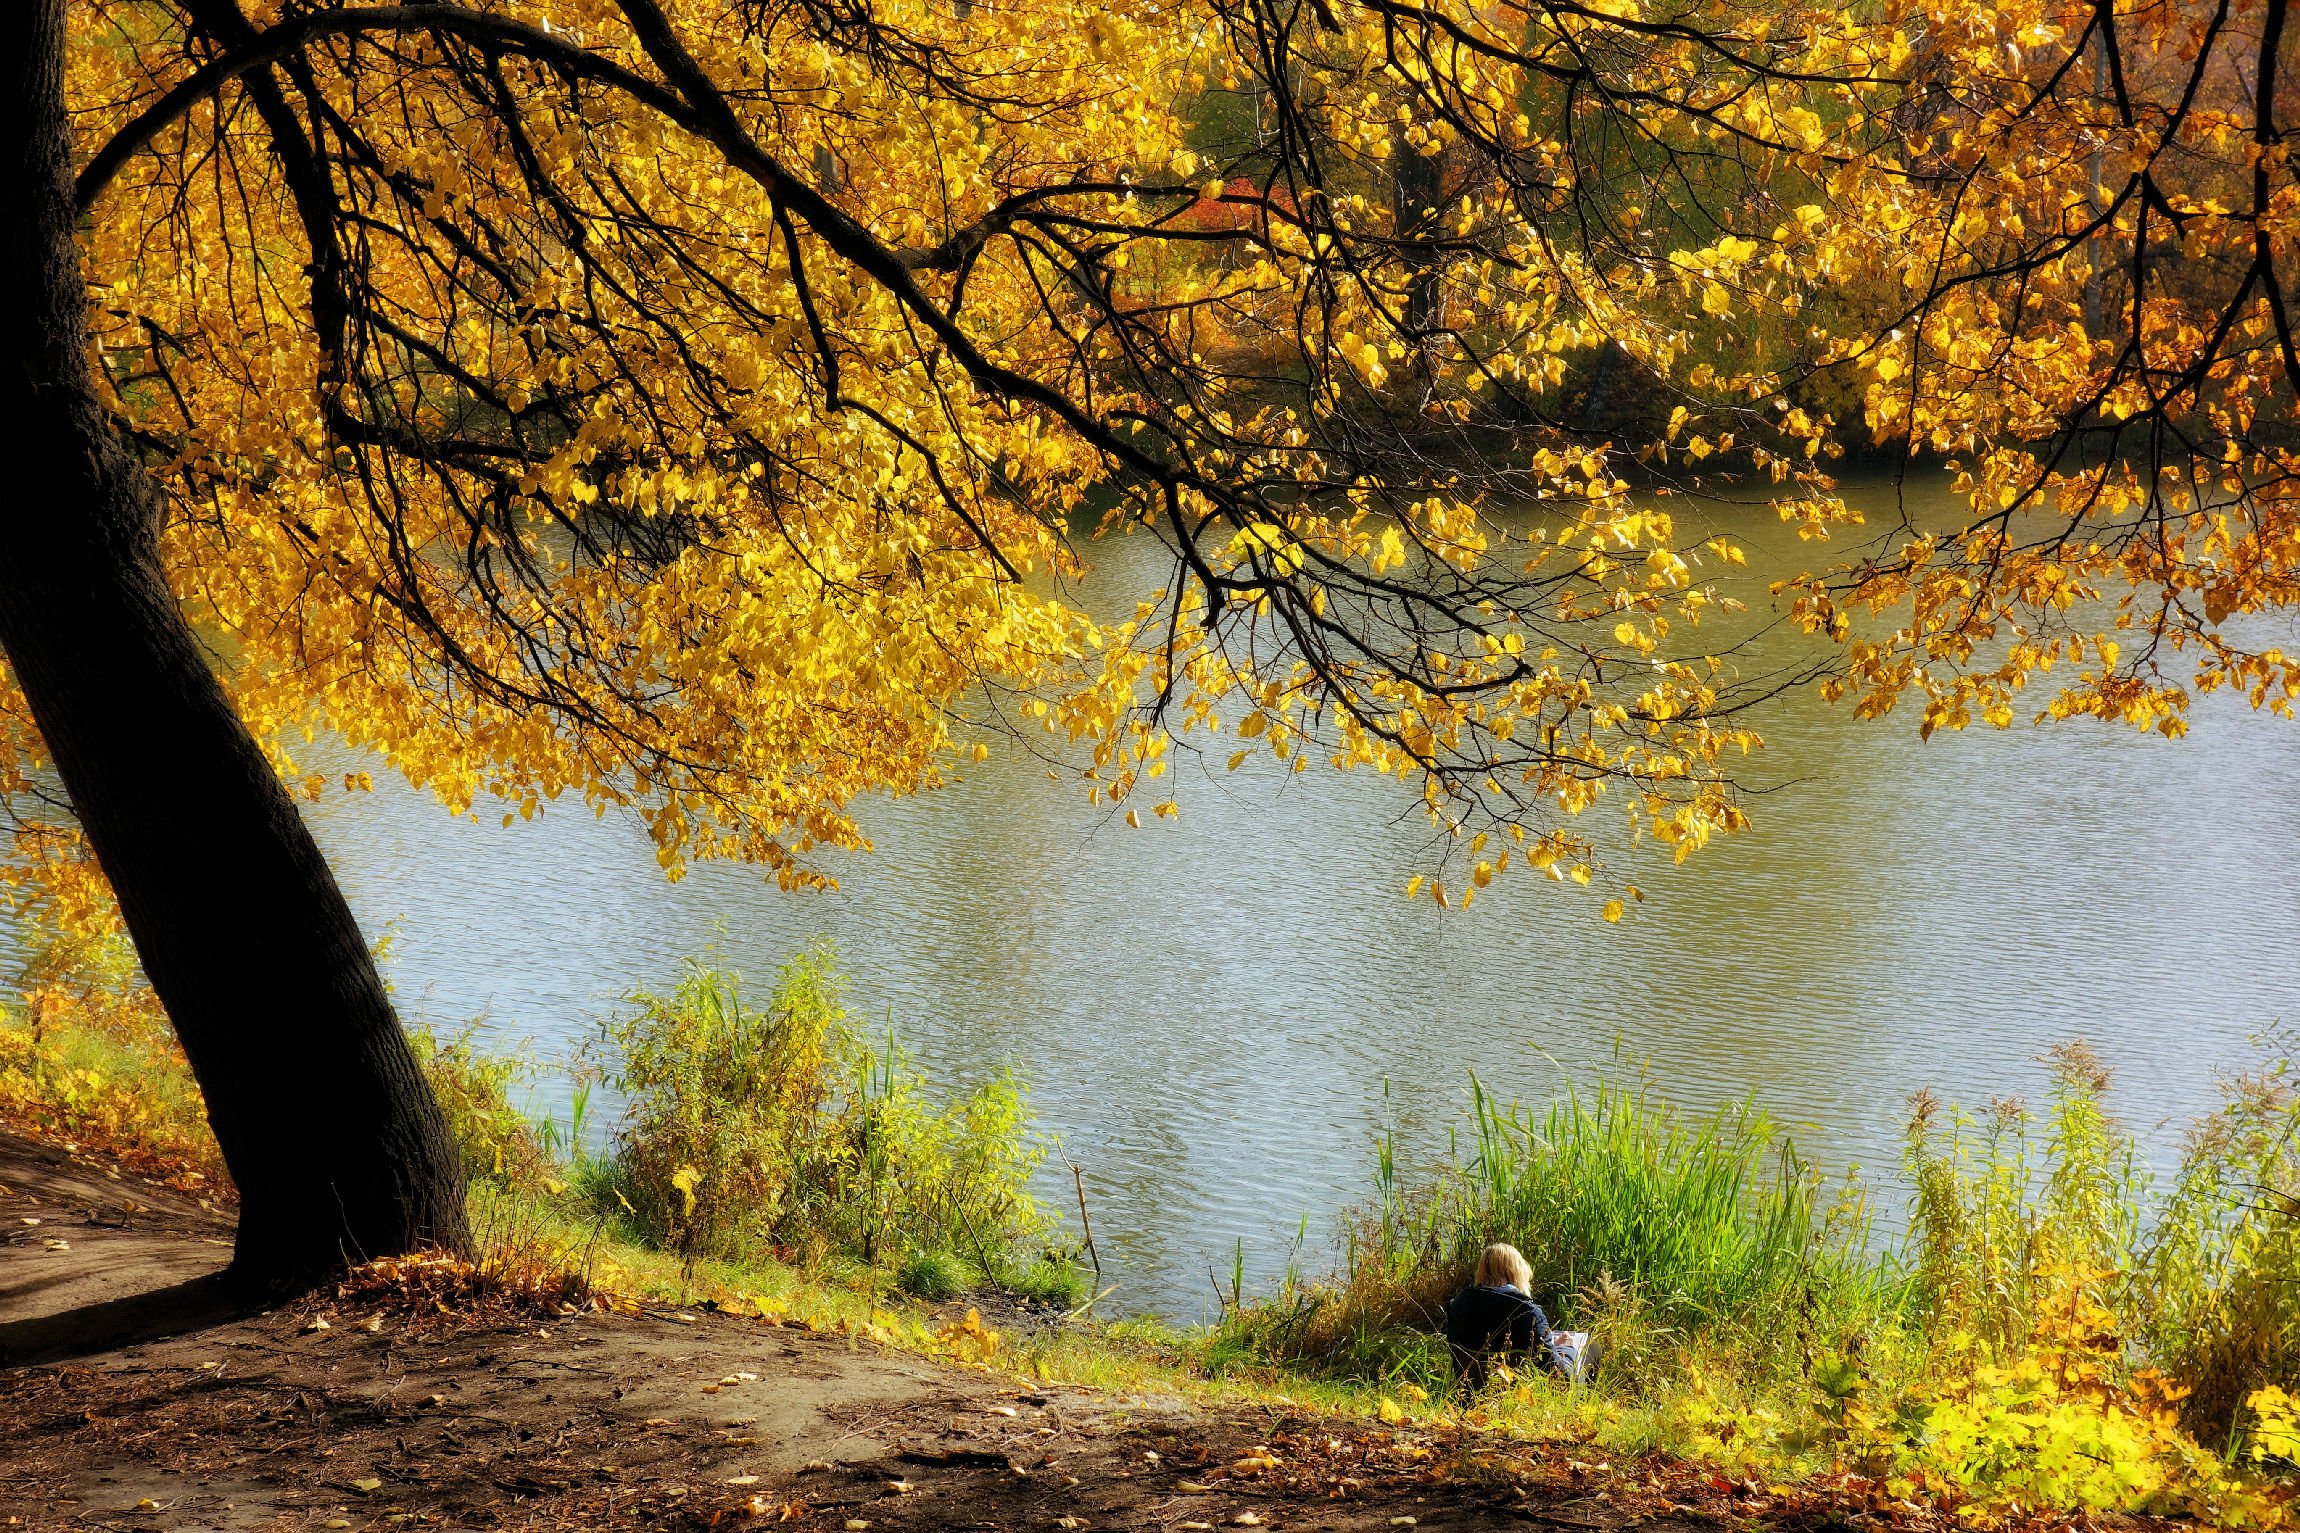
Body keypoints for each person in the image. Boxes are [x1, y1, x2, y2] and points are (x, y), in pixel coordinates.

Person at [1442, 1242, 1569, 1393]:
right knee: (1589, 1348)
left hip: (1466, 1393)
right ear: (1516, 1272)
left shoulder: (1458, 1305)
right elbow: (1552, 1369)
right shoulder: (1529, 1312)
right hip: (1513, 1396)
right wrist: (1561, 1347)